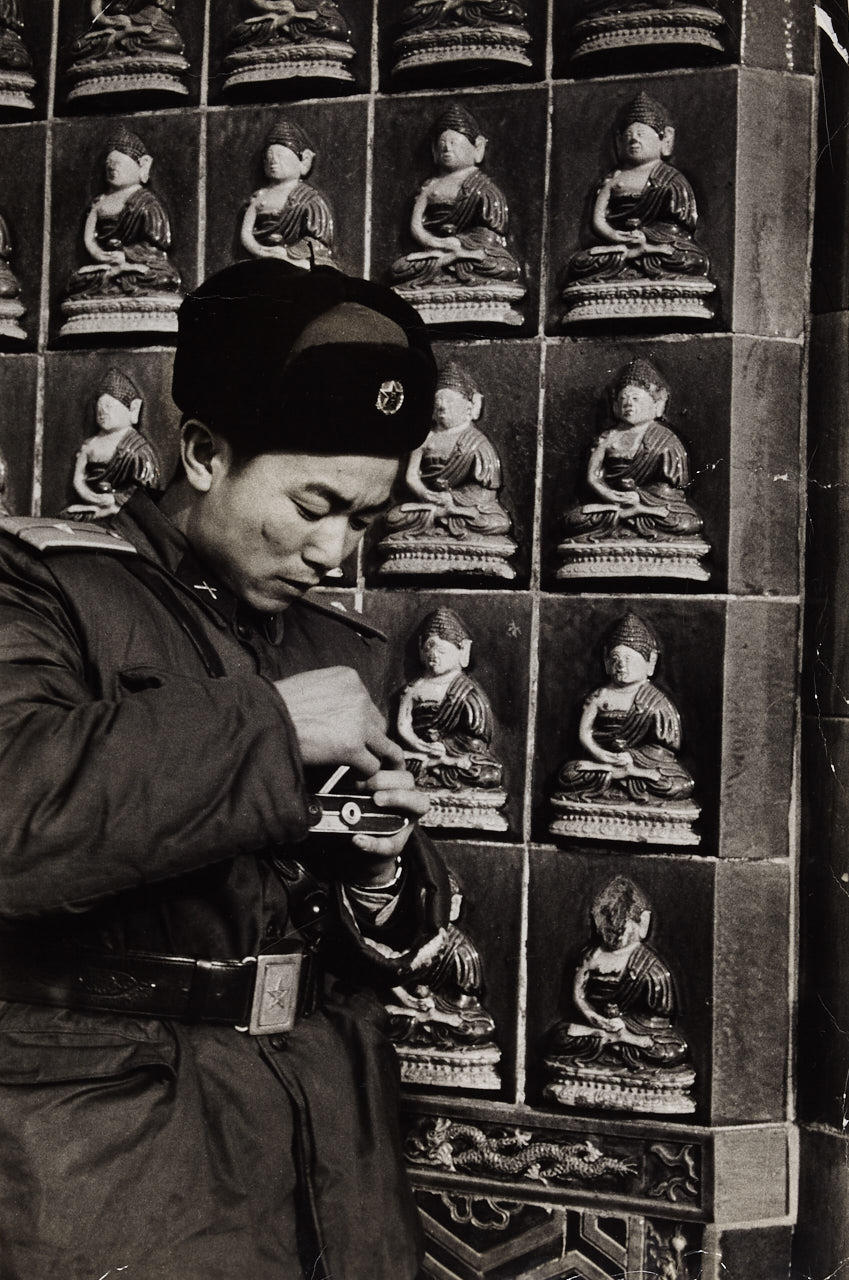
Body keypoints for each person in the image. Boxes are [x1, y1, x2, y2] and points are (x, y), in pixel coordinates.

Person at [0, 258, 457, 1279]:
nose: (337, 550)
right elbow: (12, 815)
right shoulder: (41, 585)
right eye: (315, 501)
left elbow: (342, 923)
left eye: (365, 520)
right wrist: (272, 726)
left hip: (327, 1151)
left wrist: (382, 868)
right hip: (109, 1159)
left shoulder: (336, 645)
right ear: (204, 452)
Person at [564, 92, 711, 286]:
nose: (634, 140)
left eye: (641, 134)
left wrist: (647, 236)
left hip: (656, 246)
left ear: (664, 140)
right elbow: (598, 219)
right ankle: (628, 263)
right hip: (619, 247)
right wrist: (615, 235)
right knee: (581, 263)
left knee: (693, 261)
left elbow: (681, 225)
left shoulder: (670, 178)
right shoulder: (613, 179)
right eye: (628, 136)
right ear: (619, 143)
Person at [555, 612, 695, 804]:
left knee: (680, 784)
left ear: (650, 662)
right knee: (568, 774)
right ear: (606, 662)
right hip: (603, 761)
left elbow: (664, 748)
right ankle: (613, 775)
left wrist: (631, 757)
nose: (621, 665)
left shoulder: (655, 701)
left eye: (629, 658)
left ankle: (620, 776)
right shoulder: (600, 695)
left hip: (639, 765)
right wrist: (602, 754)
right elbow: (585, 734)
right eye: (615, 658)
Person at [561, 357, 704, 542]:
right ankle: (623, 517)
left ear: (657, 405)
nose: (628, 403)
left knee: (686, 523)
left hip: (650, 506)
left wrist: (638, 497)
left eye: (636, 398)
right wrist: (611, 495)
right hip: (611, 505)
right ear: (615, 406)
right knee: (575, 518)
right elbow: (593, 477)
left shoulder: (665, 439)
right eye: (623, 399)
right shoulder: (608, 437)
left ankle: (631, 516)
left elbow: (671, 488)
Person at [389, 101, 523, 291]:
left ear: (477, 148)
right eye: (442, 144)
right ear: (434, 151)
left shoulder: (483, 187)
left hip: (473, 251)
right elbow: (416, 227)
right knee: (401, 268)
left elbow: (492, 234)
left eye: (454, 143)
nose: (447, 148)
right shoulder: (430, 186)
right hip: (435, 251)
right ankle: (445, 265)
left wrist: (459, 243)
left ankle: (451, 264)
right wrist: (438, 243)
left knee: (502, 267)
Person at [381, 359, 514, 545]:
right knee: (393, 517)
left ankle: (443, 518)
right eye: (438, 401)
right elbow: (411, 477)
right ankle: (440, 517)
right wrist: (426, 494)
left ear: (468, 406)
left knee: (497, 523)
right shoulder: (426, 437)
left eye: (450, 401)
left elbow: (486, 492)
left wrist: (451, 498)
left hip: (463, 507)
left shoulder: (476, 442)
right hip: (429, 505)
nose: (443, 406)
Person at [64, 127, 182, 303]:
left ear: (142, 165)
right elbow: (89, 239)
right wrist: (100, 254)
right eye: (108, 166)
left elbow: (158, 245)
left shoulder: (146, 201)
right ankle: (112, 279)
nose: (112, 169)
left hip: (137, 265)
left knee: (163, 279)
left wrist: (125, 255)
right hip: (106, 265)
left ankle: (118, 279)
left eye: (118, 164)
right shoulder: (100, 202)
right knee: (78, 280)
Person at [396, 606, 504, 792]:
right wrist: (423, 746)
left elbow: (478, 737)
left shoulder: (465, 690)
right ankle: (430, 766)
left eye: (442, 652)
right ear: (421, 650)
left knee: (489, 774)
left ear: (462, 651)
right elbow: (403, 726)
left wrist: (444, 748)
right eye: (429, 651)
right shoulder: (415, 688)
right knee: (394, 761)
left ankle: (434, 769)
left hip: (456, 756)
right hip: (421, 752)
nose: (434, 657)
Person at [64, 367, 161, 519]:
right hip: (93, 504)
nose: (103, 412)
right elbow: (79, 479)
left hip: (122, 509)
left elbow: (148, 488)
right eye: (99, 407)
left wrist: (115, 499)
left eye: (109, 406)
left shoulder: (137, 447)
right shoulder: (90, 444)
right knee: (68, 516)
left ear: (133, 409)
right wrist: (93, 498)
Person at [240, 120, 336, 270]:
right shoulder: (260, 197)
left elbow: (318, 240)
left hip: (295, 258)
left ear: (303, 161)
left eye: (280, 155)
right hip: (263, 255)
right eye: (269, 156)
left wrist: (287, 252)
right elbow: (246, 234)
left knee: (315, 270)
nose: (274, 161)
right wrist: (262, 251)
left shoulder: (308, 198)